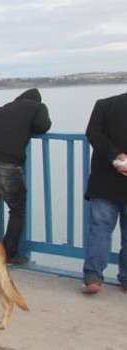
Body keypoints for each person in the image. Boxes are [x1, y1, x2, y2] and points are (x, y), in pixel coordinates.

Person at [0, 88, 51, 265]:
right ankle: (9, 254)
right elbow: (43, 126)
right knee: (17, 209)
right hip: (8, 164)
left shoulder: (3, 108)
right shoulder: (37, 107)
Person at [81, 91, 127, 294]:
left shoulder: (104, 105)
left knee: (99, 230)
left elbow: (93, 133)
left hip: (104, 182)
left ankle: (93, 277)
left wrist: (117, 158)